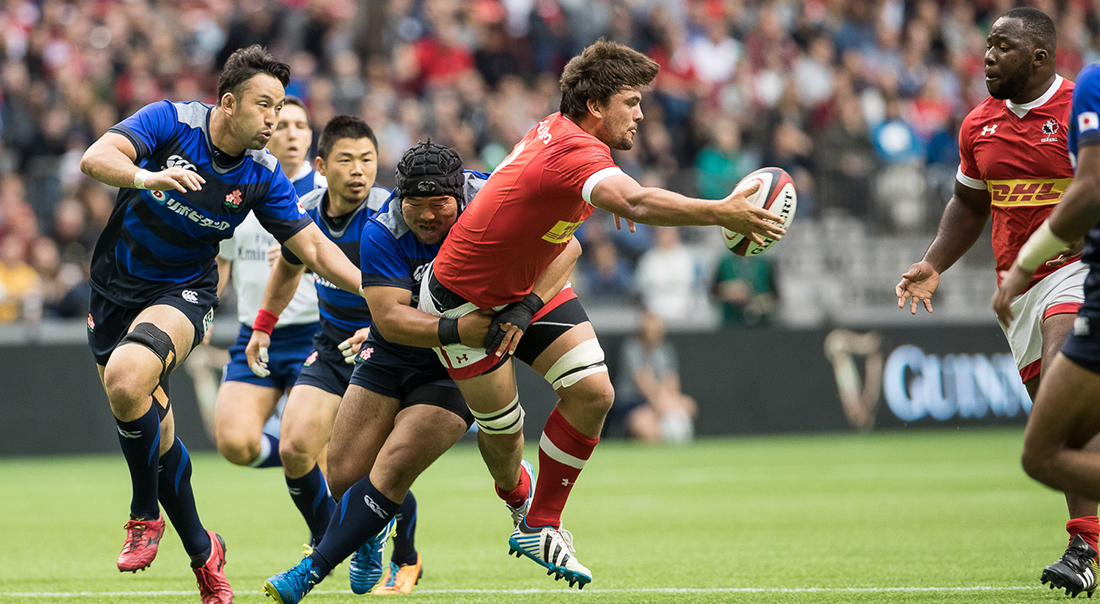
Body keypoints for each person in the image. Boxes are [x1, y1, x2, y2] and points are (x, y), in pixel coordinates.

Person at [415, 39, 784, 588]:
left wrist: (602, 202)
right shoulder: (574, 151)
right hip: (462, 302)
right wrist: (722, 211)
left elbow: (583, 200)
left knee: (595, 392)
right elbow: (632, 200)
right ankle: (518, 500)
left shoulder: (567, 136)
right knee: (504, 432)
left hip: (531, 286)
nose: (641, 114)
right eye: (632, 102)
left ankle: (541, 524)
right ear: (595, 106)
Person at [79, 45, 364, 604]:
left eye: (280, 108)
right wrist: (148, 177)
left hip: (183, 292)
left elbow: (310, 246)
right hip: (112, 289)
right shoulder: (169, 122)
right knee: (151, 427)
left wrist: (378, 293)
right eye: (264, 106)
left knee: (126, 379)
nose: (274, 120)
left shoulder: (262, 175)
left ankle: (143, 516)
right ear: (229, 102)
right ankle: (203, 550)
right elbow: (95, 158)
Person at [262, 142, 582, 603]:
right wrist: (459, 327)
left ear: (461, 199)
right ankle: (372, 528)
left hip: (456, 367)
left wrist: (528, 306)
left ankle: (309, 571)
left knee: (390, 471)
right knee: (342, 475)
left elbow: (567, 244)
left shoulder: (497, 203)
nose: (428, 217)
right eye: (416, 206)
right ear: (399, 200)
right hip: (397, 351)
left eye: (439, 206)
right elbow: (390, 319)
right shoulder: (383, 230)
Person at [894, 8, 1098, 587]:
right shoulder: (979, 124)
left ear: (1039, 57)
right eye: (986, 44)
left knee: (1068, 390)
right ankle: (1087, 547)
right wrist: (933, 263)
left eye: (1001, 46)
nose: (986, 56)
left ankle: (1082, 549)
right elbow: (968, 204)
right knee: (1058, 428)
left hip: (1079, 273)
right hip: (1018, 289)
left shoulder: (1079, 111)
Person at [244, 115, 389, 555]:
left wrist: (378, 328)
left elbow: (424, 285)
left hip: (388, 351)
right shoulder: (302, 211)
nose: (359, 169)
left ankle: (386, 547)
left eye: (367, 159)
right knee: (294, 447)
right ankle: (335, 538)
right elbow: (288, 271)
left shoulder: (390, 215)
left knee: (377, 467)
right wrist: (263, 326)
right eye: (347, 160)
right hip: (330, 347)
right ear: (322, 167)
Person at [211, 97, 325, 472]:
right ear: (265, 131)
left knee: (325, 456)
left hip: (316, 334)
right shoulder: (238, 184)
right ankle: (292, 450)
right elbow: (222, 259)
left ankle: (330, 529)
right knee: (234, 443)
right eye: (283, 124)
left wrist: (306, 265)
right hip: (255, 335)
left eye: (301, 126)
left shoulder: (328, 192)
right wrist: (204, 313)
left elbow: (353, 261)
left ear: (311, 138)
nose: (292, 133)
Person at [612, 309, 697, 444]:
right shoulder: (631, 348)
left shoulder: (666, 350)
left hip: (660, 402)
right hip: (634, 403)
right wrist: (661, 405)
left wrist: (669, 402)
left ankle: (670, 433)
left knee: (688, 405)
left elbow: (671, 381)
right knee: (644, 428)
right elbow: (642, 381)